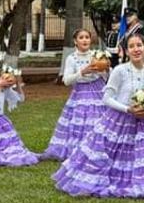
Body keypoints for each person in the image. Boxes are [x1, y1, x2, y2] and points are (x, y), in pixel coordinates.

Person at [53, 33, 144, 201]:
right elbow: (106, 98)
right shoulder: (120, 71)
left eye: (139, 45)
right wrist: (127, 109)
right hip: (119, 121)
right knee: (109, 158)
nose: (136, 49)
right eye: (131, 46)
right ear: (126, 51)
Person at [43, 29, 107, 161]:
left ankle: (101, 148)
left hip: (99, 90)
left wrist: (104, 69)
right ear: (75, 41)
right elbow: (66, 80)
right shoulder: (71, 58)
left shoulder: (97, 55)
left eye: (87, 37)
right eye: (81, 37)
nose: (84, 40)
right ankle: (82, 149)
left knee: (101, 120)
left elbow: (106, 77)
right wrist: (81, 72)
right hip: (81, 93)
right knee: (83, 121)